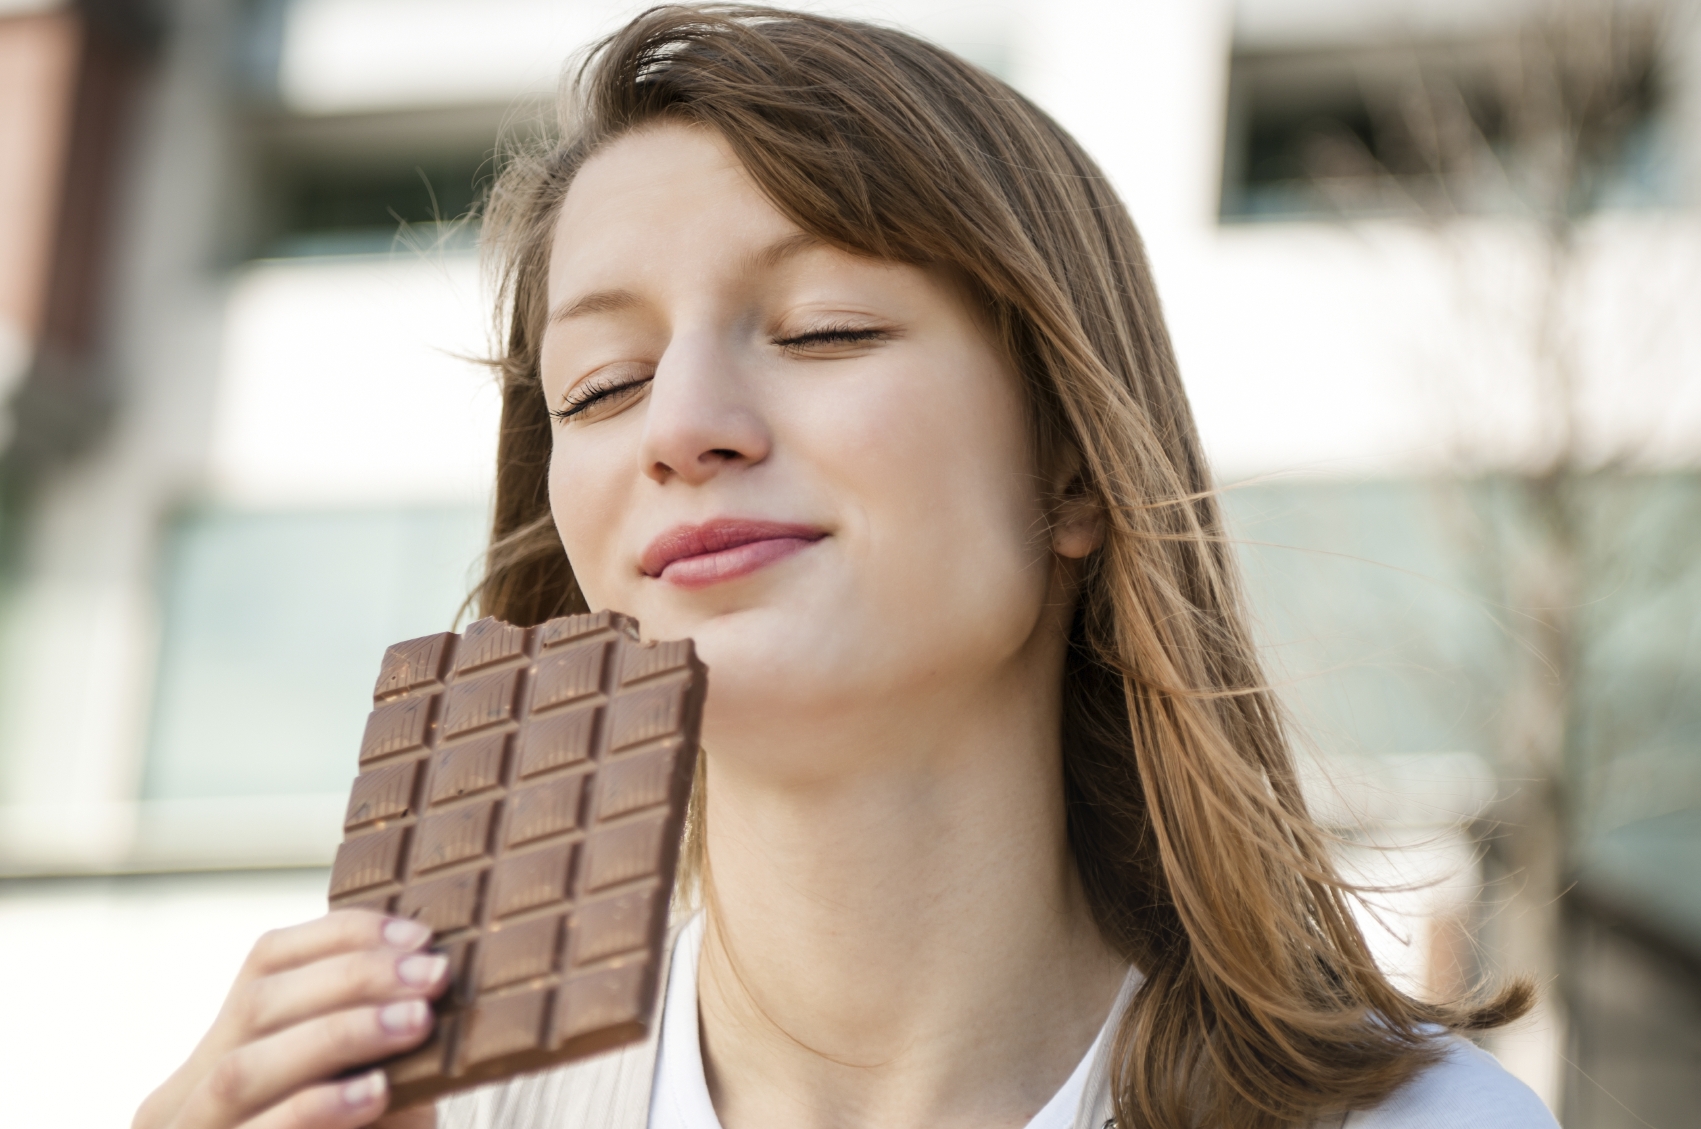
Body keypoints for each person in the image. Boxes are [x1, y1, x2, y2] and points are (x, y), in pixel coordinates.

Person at [135, 7, 1560, 1129]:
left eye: (823, 330)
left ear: (1070, 466)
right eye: (603, 383)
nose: (682, 428)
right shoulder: (430, 1115)